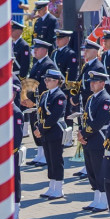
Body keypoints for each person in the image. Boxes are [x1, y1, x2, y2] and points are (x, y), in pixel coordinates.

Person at [78, 71, 110, 212]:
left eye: (95, 82)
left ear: (102, 84)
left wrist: (84, 133)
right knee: (91, 170)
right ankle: (97, 198)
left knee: (99, 170)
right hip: (90, 138)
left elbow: (99, 122)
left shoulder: (105, 99)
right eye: (91, 82)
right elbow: (86, 118)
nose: (91, 84)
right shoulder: (91, 98)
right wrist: (81, 133)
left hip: (99, 138)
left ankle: (104, 200)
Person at [34, 69, 67, 200]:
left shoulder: (60, 96)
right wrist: (38, 127)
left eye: (49, 80)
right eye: (45, 80)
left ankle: (58, 188)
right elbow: (40, 113)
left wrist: (41, 129)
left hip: (55, 131)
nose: (46, 82)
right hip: (46, 131)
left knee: (56, 159)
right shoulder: (45, 94)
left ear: (56, 81)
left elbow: (54, 117)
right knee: (49, 159)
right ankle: (52, 185)